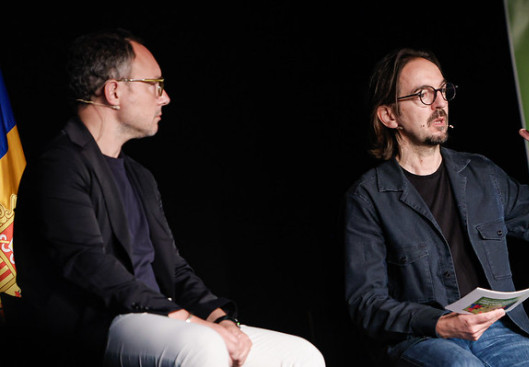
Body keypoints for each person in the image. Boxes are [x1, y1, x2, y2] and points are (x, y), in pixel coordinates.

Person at [13, 29, 325, 367]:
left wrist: (220, 319)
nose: (165, 98)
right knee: (201, 348)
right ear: (114, 91)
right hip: (98, 324)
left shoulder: (139, 176)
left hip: (162, 316)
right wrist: (187, 320)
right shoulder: (60, 165)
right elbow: (89, 265)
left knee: (301, 355)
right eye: (154, 85)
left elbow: (174, 268)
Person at [342, 48, 529, 366]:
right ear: (389, 116)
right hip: (423, 337)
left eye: (443, 91)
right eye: (423, 95)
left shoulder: (480, 173)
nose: (440, 104)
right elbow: (366, 303)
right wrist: (439, 323)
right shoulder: (368, 197)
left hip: (496, 331)